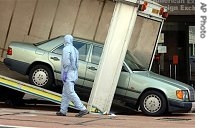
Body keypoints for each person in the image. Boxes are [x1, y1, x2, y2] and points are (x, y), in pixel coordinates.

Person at [56, 34, 89, 117]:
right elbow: (77, 64)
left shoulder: (66, 49)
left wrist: (65, 73)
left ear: (65, 40)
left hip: (68, 74)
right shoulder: (75, 50)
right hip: (74, 74)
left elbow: (66, 62)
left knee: (70, 92)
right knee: (65, 93)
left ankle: (82, 109)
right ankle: (63, 110)